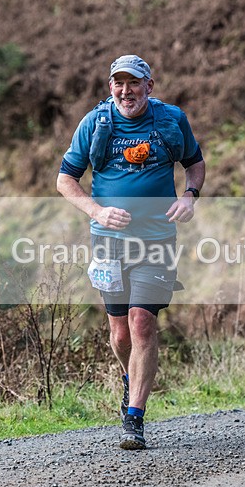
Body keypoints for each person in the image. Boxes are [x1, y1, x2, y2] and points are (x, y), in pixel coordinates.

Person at [57, 55, 205, 450]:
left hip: (156, 240)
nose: (126, 91)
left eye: (134, 84)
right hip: (108, 243)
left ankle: (135, 418)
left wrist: (190, 197)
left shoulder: (170, 120)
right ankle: (130, 379)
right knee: (119, 333)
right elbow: (65, 179)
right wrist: (97, 211)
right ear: (110, 87)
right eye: (118, 84)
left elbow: (195, 163)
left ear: (149, 86)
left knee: (142, 324)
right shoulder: (95, 123)